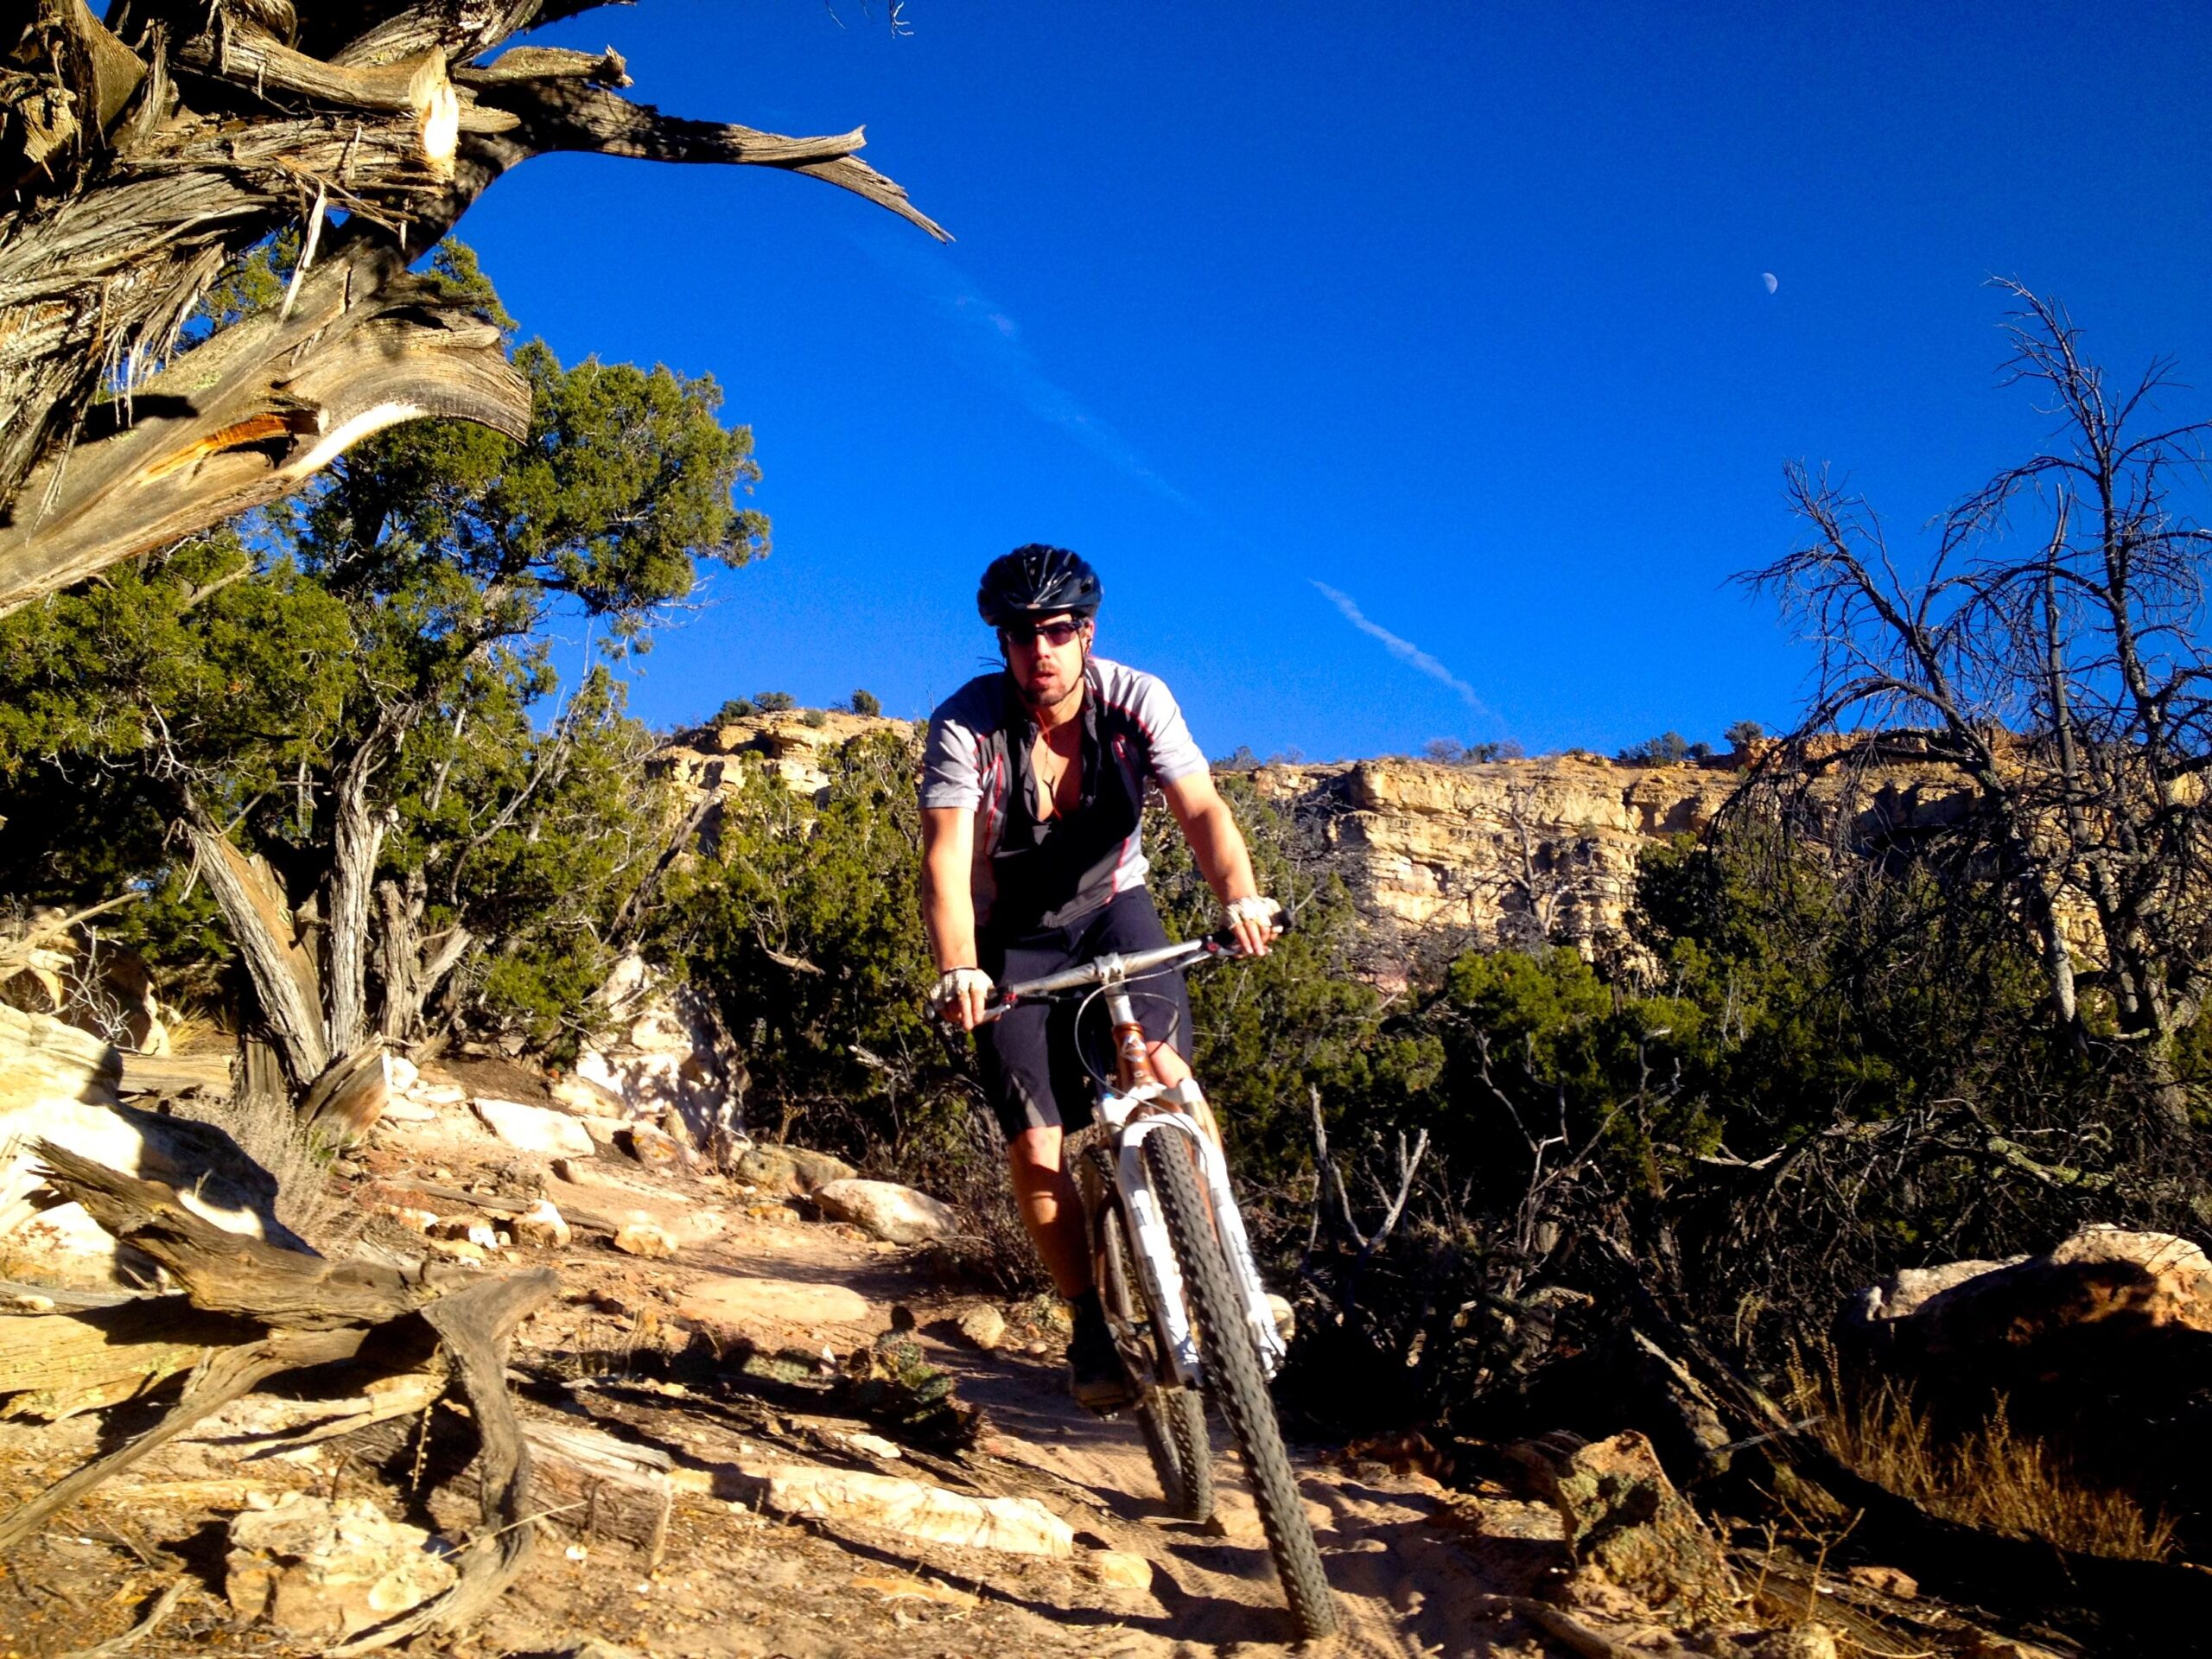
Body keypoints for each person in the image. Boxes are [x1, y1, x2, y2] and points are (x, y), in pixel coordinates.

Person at [920, 545, 1281, 1409]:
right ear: (1001, 642)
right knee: (1036, 1143)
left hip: (1114, 908)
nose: (1037, 650)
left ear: (1084, 632)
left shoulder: (1136, 700)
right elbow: (942, 860)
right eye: (1018, 636)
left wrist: (1241, 899)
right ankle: (1086, 1323)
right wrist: (960, 969)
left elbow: (1200, 810)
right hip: (1013, 938)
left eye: (1054, 631)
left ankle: (1226, 1275)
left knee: (1168, 1081)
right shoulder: (964, 725)